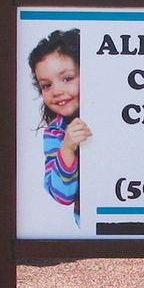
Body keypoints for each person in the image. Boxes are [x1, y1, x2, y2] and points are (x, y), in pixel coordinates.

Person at [28, 29, 92, 225]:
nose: (56, 91)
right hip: (89, 225)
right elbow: (63, 195)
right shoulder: (55, 134)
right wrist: (67, 148)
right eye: (46, 85)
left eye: (67, 79)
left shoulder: (116, 113)